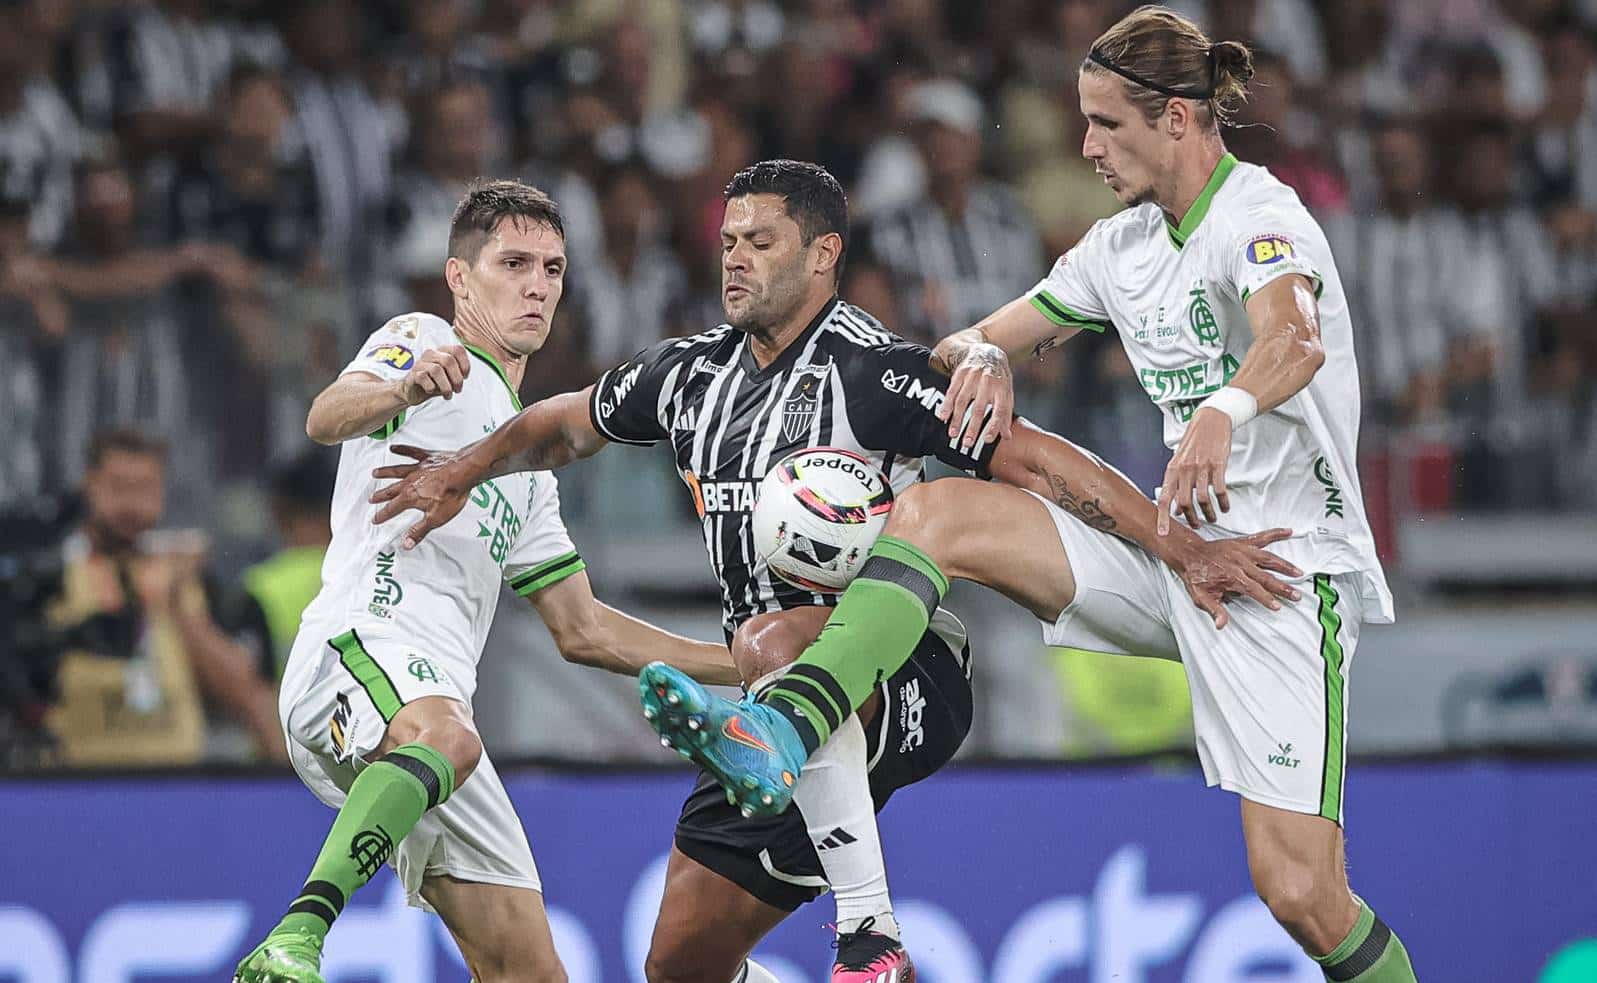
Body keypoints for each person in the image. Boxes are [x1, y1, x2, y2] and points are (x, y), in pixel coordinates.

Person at [367, 159, 1300, 983]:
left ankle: (870, 934)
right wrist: (457, 468)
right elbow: (560, 423)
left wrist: (1181, 546)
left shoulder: (874, 372)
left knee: (771, 634)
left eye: (760, 241)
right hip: (772, 701)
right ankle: (801, 821)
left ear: (821, 255)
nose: (733, 258)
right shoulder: (691, 375)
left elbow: (1035, 459)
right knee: (678, 963)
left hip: (905, 670)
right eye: (727, 239)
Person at [636, 10, 1420, 983]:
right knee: (937, 515)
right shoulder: (1117, 248)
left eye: (1106, 125)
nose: (1085, 146)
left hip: (1275, 576)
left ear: (1177, 119)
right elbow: (964, 343)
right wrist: (982, 361)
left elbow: (1291, 338)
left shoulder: (1259, 218)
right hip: (1175, 550)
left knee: (1300, 894)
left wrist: (1221, 408)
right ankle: (789, 724)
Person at [232, 180, 740, 983]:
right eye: (513, 263)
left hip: (434, 718)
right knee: (449, 736)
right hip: (361, 649)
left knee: (531, 974)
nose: (536, 284)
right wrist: (400, 386)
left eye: (552, 267)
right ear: (459, 278)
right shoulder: (425, 341)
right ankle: (295, 938)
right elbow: (325, 415)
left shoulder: (529, 470)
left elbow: (585, 630)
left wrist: (748, 662)